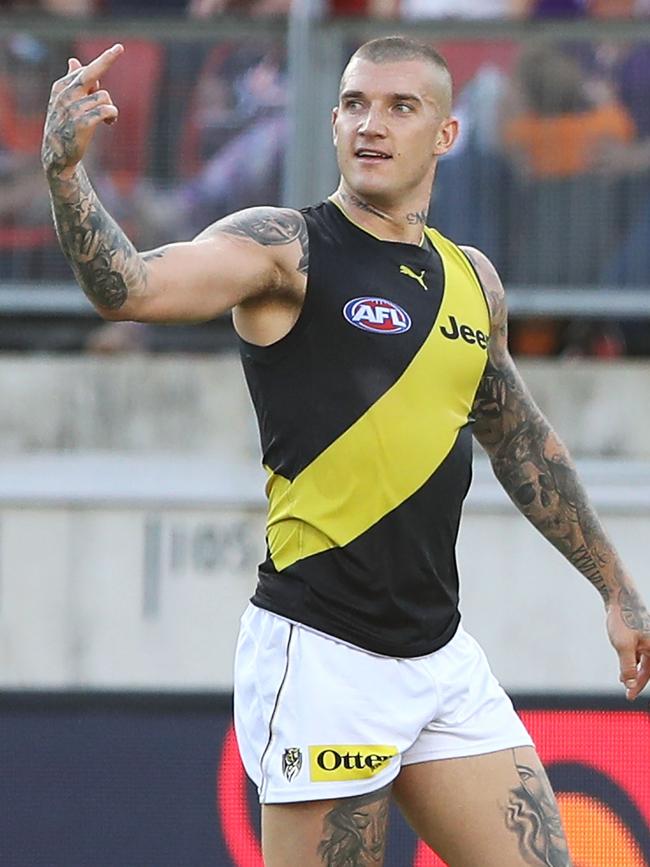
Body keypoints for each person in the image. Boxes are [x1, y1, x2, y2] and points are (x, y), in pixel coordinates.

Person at [41, 37, 650, 866]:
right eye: (357, 103)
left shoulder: (473, 280)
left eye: (401, 107)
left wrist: (615, 586)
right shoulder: (284, 247)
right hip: (325, 653)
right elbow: (130, 288)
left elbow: (520, 439)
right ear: (332, 122)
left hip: (439, 656)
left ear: (445, 135)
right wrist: (67, 173)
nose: (373, 123)